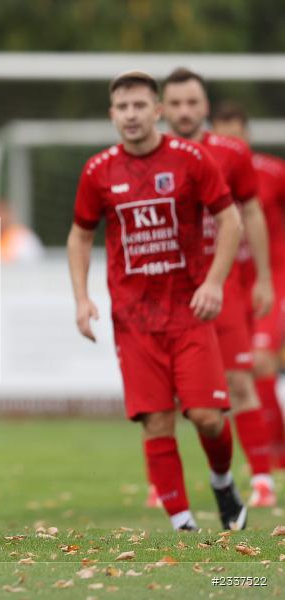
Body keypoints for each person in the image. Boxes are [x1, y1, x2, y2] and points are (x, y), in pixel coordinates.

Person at [68, 70, 246, 531]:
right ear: (112, 115)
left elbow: (231, 222)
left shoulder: (191, 159)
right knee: (156, 422)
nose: (131, 115)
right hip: (135, 321)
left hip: (189, 313)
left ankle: (223, 481)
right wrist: (82, 298)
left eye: (139, 106)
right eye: (122, 108)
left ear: (157, 111)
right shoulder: (98, 171)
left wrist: (213, 282)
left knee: (207, 417)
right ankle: (183, 525)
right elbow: (81, 236)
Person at [161, 68, 276, 507]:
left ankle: (262, 479)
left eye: (193, 102)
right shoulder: (146, 157)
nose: (185, 111)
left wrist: (263, 277)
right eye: (176, 103)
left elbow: (252, 214)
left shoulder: (230, 153)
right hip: (167, 293)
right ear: (162, 109)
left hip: (222, 285)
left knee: (240, 380)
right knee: (170, 393)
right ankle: (165, 483)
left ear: (205, 106)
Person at [211, 102, 285, 474]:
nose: (231, 146)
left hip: (272, 278)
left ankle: (275, 458)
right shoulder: (204, 172)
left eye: (236, 137)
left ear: (248, 136)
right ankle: (269, 456)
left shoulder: (273, 172)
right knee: (238, 374)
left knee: (260, 361)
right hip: (229, 285)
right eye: (223, 138)